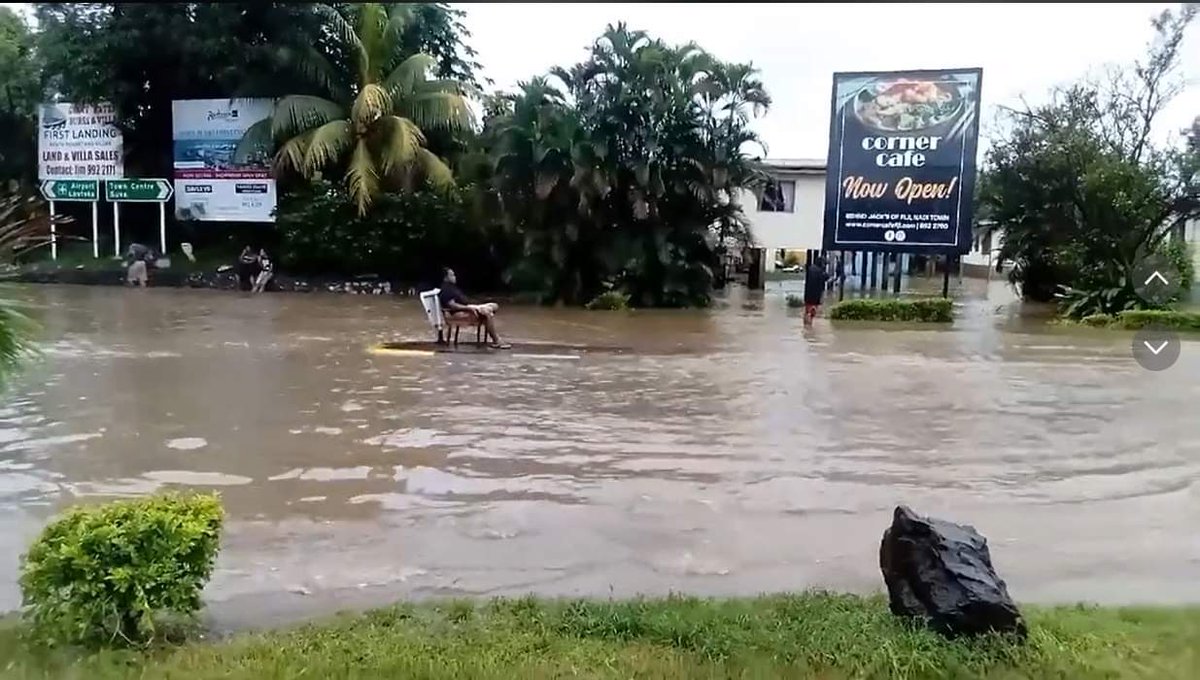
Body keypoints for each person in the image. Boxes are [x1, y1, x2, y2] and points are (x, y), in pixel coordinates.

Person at [438, 267, 511, 349]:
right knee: (487, 314)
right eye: (452, 275)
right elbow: (452, 305)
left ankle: (485, 314)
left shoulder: (452, 287)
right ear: (446, 278)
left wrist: (472, 306)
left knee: (494, 305)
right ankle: (496, 340)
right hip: (458, 313)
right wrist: (469, 309)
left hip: (467, 307)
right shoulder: (446, 289)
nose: (454, 277)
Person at [803, 256, 829, 326]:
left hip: (808, 294)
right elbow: (826, 277)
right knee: (812, 311)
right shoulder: (820, 271)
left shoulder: (810, 268)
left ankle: (806, 325)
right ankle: (809, 325)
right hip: (816, 295)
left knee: (807, 310)